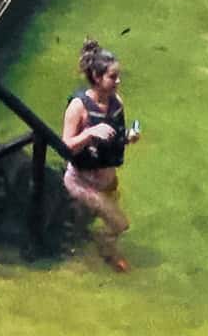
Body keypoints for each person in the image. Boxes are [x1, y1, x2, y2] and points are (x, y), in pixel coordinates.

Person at [60, 41, 140, 270]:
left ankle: (81, 243)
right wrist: (89, 133)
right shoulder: (78, 107)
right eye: (112, 77)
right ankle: (104, 248)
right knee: (119, 224)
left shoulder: (117, 103)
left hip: (107, 178)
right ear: (96, 77)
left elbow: (115, 137)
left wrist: (129, 137)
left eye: (118, 77)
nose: (118, 82)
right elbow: (65, 146)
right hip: (83, 180)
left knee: (85, 218)